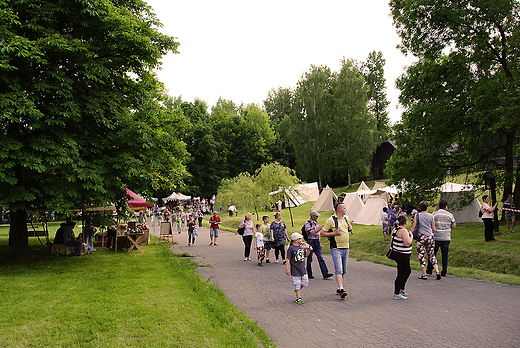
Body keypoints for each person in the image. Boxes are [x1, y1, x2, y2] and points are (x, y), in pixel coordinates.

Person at [319, 202, 353, 299]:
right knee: (339, 268)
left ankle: (339, 287)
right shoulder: (331, 220)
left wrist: (350, 228)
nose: (346, 210)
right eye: (344, 208)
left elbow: (348, 228)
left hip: (346, 246)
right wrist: (334, 233)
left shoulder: (346, 219)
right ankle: (342, 288)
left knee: (343, 269)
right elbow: (322, 233)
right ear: (340, 210)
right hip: (336, 247)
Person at [411, 201, 441, 280]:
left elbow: (414, 226)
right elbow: (433, 228)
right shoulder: (431, 216)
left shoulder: (418, 215)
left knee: (421, 255)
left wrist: (411, 234)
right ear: (427, 207)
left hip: (421, 236)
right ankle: (437, 271)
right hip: (429, 236)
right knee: (431, 254)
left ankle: (424, 274)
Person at [427, 200, 456, 277]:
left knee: (433, 253)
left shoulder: (434, 214)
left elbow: (431, 224)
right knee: (445, 255)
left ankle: (429, 269)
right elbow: (454, 226)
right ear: (446, 206)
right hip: (446, 237)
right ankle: (444, 271)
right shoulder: (450, 215)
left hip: (436, 236)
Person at [304, 210, 333, 279]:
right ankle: (309, 274)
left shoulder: (316, 222)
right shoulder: (307, 224)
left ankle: (325, 273)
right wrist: (320, 228)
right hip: (311, 242)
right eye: (316, 216)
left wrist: (320, 242)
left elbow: (318, 234)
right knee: (309, 259)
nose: (317, 217)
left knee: (321, 258)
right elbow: (312, 232)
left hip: (317, 242)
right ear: (312, 216)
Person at [390, 216, 413, 300]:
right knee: (401, 273)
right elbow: (407, 243)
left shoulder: (395, 230)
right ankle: (396, 293)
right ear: (406, 223)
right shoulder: (403, 231)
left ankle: (401, 289)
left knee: (407, 271)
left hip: (397, 253)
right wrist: (411, 236)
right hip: (402, 255)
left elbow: (392, 242)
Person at [286, 232, 312, 305]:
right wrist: (287, 269)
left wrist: (309, 250)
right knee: (297, 283)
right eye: (300, 238)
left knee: (305, 282)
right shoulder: (291, 248)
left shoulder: (302, 247)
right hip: (295, 269)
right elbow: (288, 259)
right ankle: (298, 296)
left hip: (302, 268)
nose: (302, 239)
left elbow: (305, 256)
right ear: (296, 240)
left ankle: (297, 289)